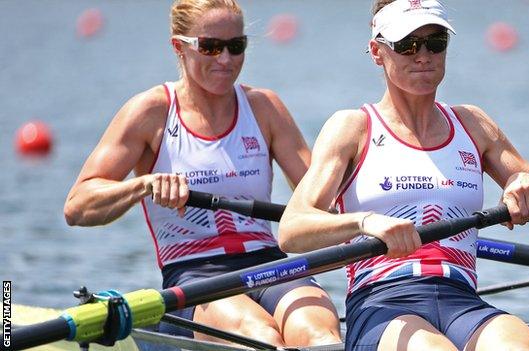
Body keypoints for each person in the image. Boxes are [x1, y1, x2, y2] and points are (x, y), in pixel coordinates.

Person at [278, 0, 529, 350]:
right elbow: (292, 231)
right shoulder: (353, 128)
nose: (423, 55)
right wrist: (364, 222)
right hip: (383, 302)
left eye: (435, 43)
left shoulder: (474, 125)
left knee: (519, 345)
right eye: (407, 45)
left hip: (460, 299)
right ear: (377, 52)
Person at [63, 0, 341, 347]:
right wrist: (143, 185)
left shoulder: (265, 107)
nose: (225, 59)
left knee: (319, 336)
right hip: (194, 274)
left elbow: (323, 200)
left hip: (270, 263)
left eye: (236, 46)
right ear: (179, 47)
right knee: (261, 337)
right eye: (210, 47)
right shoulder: (151, 112)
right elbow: (77, 206)